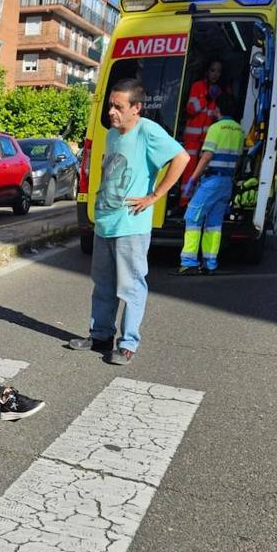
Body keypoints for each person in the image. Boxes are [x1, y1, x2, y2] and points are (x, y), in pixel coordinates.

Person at [66, 78, 190, 365]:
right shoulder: (112, 134)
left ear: (136, 108)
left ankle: (127, 343)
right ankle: (100, 336)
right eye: (111, 105)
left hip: (131, 226)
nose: (112, 111)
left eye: (118, 106)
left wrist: (155, 195)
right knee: (103, 285)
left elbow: (181, 158)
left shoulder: (148, 131)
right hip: (107, 222)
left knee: (131, 286)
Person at [178, 101, 244, 276]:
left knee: (193, 217)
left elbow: (207, 156)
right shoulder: (239, 130)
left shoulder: (216, 128)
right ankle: (210, 263)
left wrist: (193, 177)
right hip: (226, 182)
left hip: (212, 181)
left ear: (219, 109)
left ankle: (189, 262)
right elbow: (237, 160)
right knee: (214, 225)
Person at [180, 60, 223, 201]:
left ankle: (195, 203)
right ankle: (184, 203)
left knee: (202, 173)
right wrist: (207, 98)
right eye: (213, 70)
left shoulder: (218, 91)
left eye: (218, 71)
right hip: (192, 139)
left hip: (207, 140)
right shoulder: (197, 86)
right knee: (189, 172)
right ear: (207, 71)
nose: (215, 74)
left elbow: (213, 116)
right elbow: (191, 109)